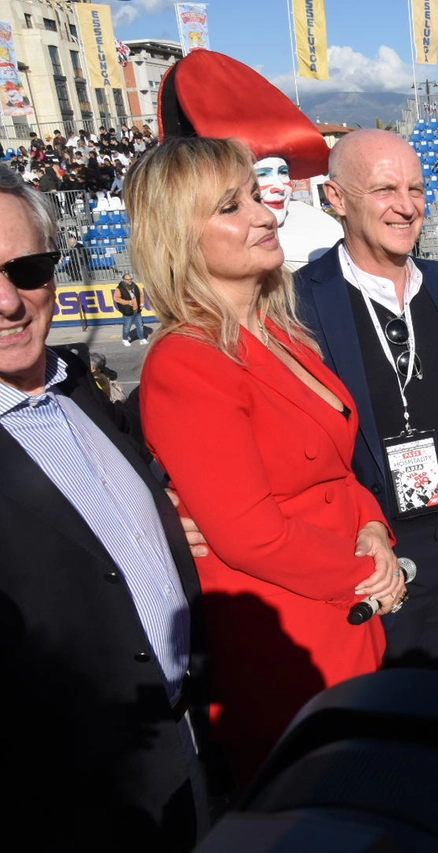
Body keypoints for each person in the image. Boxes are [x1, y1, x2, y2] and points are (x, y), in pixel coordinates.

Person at [127, 138, 407, 788]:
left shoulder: (281, 331)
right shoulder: (186, 362)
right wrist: (370, 569)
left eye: (257, 194)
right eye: (232, 205)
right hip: (290, 651)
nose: (263, 214)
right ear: (180, 237)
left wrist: (373, 528)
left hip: (349, 615)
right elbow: (251, 534)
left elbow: (338, 469)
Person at [0, 164, 211, 851]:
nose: (9, 302)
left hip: (188, 737)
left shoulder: (83, 387)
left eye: (27, 268)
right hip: (76, 799)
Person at [296, 129, 438, 674]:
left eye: (417, 189)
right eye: (384, 190)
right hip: (369, 546)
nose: (406, 207)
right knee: (380, 711)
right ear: (335, 199)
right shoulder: (299, 301)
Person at [114, 271, 147, 345]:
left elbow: (141, 294)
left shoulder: (135, 286)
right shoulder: (119, 288)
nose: (130, 281)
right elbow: (116, 298)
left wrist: (141, 303)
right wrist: (127, 302)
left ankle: (142, 338)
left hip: (137, 309)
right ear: (124, 280)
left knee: (140, 325)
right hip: (127, 310)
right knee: (127, 326)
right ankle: (125, 339)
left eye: (131, 279)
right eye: (128, 279)